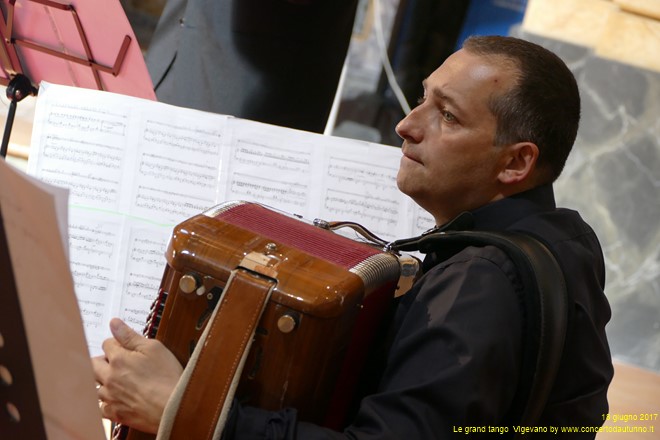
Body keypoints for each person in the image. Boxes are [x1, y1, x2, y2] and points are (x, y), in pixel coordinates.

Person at [92, 35, 613, 438]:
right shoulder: (567, 244)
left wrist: (183, 407)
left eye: (447, 116)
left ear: (517, 162)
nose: (407, 126)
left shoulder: (478, 283)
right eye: (422, 100)